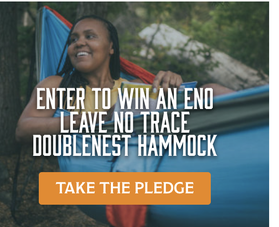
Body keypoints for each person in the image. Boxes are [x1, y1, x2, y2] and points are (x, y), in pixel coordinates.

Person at [16, 15, 235, 142]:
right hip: (98, 162)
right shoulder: (57, 85)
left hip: (154, 153)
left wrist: (172, 81)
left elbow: (167, 113)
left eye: (89, 36)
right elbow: (23, 130)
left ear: (111, 47)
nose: (78, 43)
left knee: (213, 90)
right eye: (73, 39)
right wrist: (103, 117)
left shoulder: (135, 86)